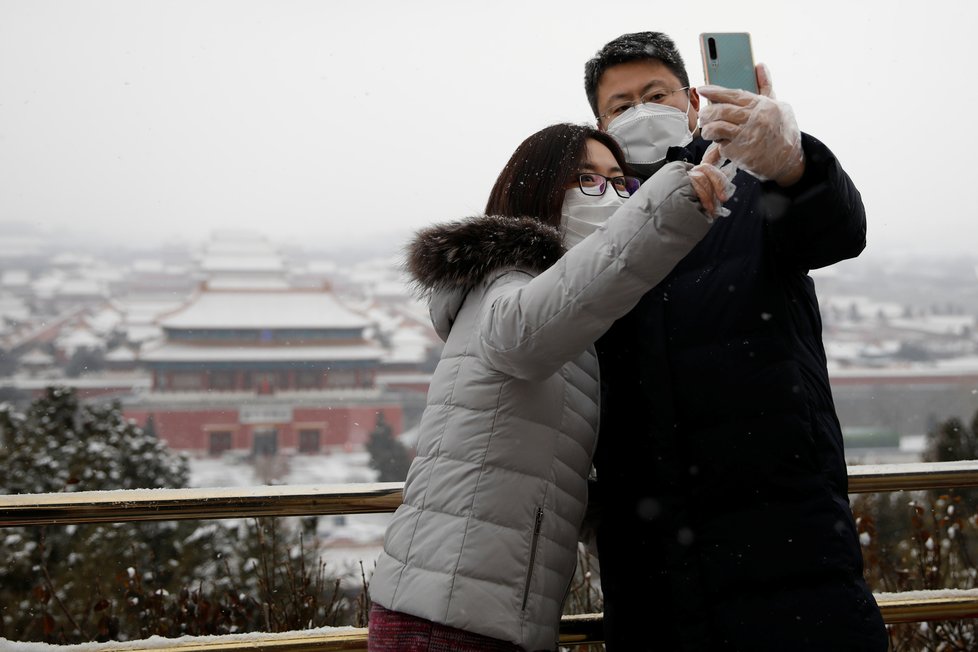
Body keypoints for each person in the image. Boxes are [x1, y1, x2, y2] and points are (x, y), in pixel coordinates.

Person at [367, 122, 735, 651]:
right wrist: (670, 204)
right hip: (446, 617)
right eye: (586, 179)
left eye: (619, 182)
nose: (607, 194)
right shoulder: (507, 278)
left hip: (486, 611)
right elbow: (521, 337)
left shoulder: (571, 319)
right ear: (536, 190)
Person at [583, 32, 888, 651]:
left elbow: (837, 230)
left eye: (655, 93)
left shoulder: (751, 183)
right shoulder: (590, 229)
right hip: (650, 562)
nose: (639, 111)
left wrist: (792, 162)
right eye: (620, 106)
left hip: (786, 543)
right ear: (599, 125)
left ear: (692, 100)